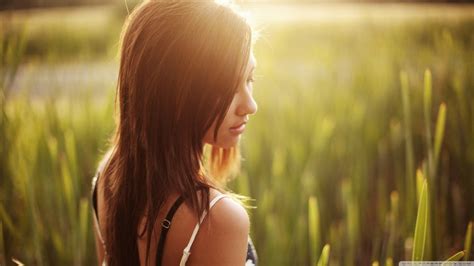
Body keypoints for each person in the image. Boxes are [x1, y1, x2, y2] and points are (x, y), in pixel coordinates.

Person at [90, 0, 259, 265]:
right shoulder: (218, 220)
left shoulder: (108, 174)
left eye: (249, 79)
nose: (251, 105)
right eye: (225, 87)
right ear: (172, 93)